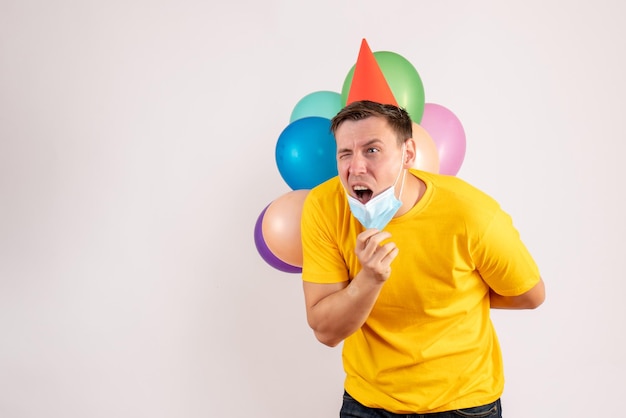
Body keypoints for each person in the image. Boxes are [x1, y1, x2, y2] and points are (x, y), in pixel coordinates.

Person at [300, 100, 545, 417]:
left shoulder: (471, 212)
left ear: (408, 154)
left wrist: (452, 295)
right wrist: (370, 279)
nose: (355, 167)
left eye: (372, 150)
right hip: (368, 404)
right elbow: (326, 331)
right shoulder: (323, 206)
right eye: (345, 153)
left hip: (463, 404)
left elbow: (531, 294)